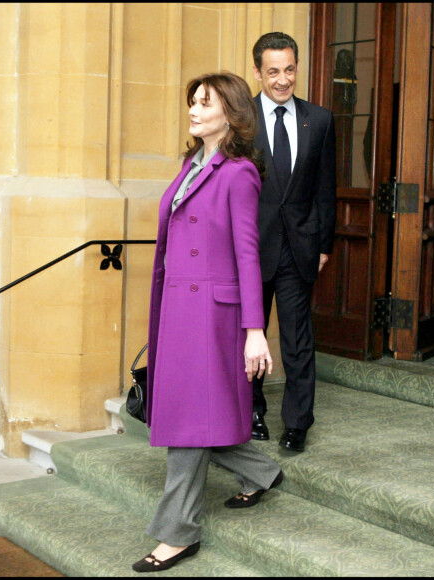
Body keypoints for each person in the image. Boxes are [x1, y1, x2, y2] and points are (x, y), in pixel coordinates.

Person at [132, 72, 283, 573]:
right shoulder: (190, 163)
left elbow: (247, 252)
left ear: (231, 113)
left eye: (205, 103)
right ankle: (261, 471)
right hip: (178, 307)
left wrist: (255, 330)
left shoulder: (239, 173)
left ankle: (178, 533)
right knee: (195, 411)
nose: (194, 111)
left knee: (186, 420)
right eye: (192, 102)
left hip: (213, 315)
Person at [250, 32, 337, 453]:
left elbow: (326, 188)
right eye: (273, 72)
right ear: (258, 72)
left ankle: (298, 422)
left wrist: (324, 245)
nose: (283, 80)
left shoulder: (319, 120)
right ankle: (251, 412)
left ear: (297, 67)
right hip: (249, 249)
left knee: (298, 339)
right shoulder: (240, 119)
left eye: (289, 70)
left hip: (298, 249)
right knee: (247, 336)